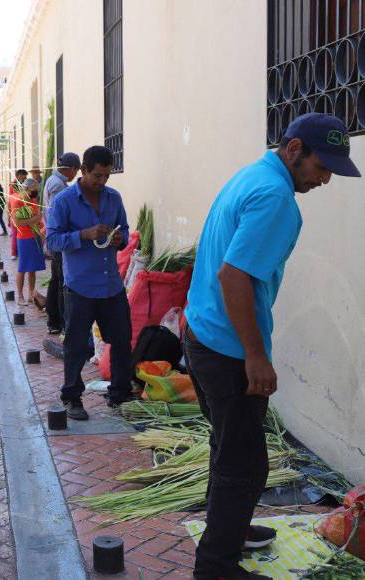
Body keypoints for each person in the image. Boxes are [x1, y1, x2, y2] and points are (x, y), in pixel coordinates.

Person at [183, 113, 360, 580]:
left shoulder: (252, 175)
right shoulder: (277, 198)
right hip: (227, 351)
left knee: (228, 448)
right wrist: (256, 356)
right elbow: (233, 276)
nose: (325, 179)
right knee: (245, 466)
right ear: (295, 148)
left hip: (202, 333)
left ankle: (230, 531)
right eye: (322, 167)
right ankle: (216, 567)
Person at [46, 145, 133, 420]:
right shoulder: (64, 201)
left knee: (121, 340)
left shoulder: (113, 198)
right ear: (83, 170)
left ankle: (119, 394)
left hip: (111, 285)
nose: (102, 181)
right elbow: (52, 241)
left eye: (107, 176)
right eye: (97, 175)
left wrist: (120, 239)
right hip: (80, 286)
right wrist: (83, 234)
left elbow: (125, 230)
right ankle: (72, 397)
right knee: (76, 346)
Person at [43, 152, 80, 334]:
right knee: (60, 281)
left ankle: (54, 320)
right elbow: (57, 215)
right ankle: (58, 322)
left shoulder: (53, 180)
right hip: (59, 239)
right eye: (76, 171)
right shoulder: (58, 185)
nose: (76, 175)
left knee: (56, 280)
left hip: (56, 237)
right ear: (71, 169)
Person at [10, 177, 46, 306]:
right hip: (24, 238)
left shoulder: (34, 201)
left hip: (36, 237)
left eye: (37, 189)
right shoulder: (18, 202)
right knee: (23, 268)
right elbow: (17, 222)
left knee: (32, 268)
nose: (36, 192)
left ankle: (31, 294)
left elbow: (39, 219)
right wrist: (35, 219)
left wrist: (41, 230)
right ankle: (20, 296)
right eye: (34, 190)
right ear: (26, 189)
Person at [8, 169, 28, 260]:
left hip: (22, 212)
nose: (25, 178)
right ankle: (14, 253)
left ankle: (18, 252)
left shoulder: (23, 184)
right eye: (24, 176)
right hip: (16, 212)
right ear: (19, 175)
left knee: (20, 233)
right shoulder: (13, 185)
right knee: (15, 233)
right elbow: (11, 199)